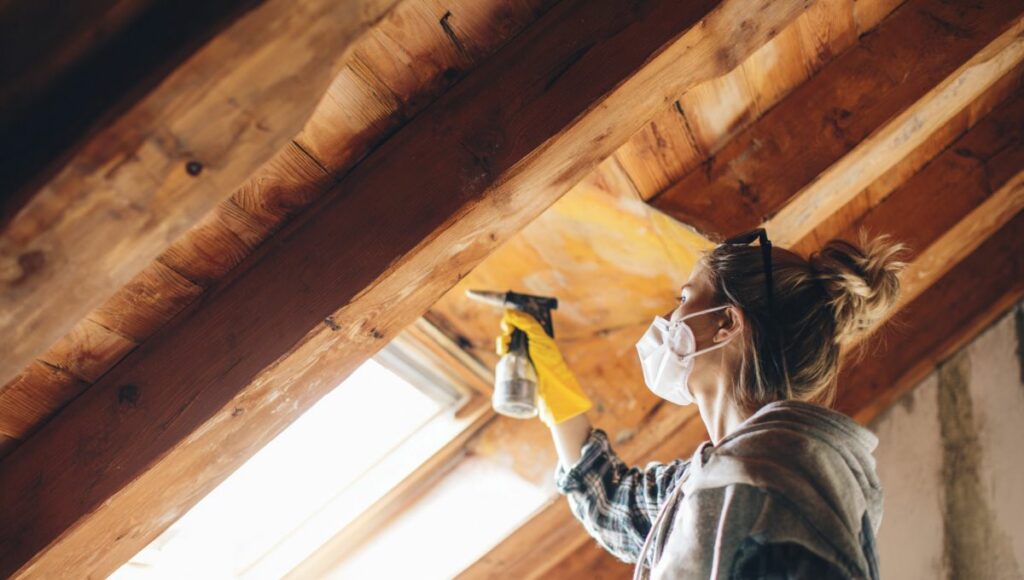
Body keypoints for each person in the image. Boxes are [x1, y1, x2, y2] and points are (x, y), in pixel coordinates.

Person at [498, 229, 906, 579]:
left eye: (684, 298)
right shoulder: (716, 478)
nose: (668, 316)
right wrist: (556, 394)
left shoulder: (775, 483)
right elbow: (613, 503)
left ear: (726, 323)